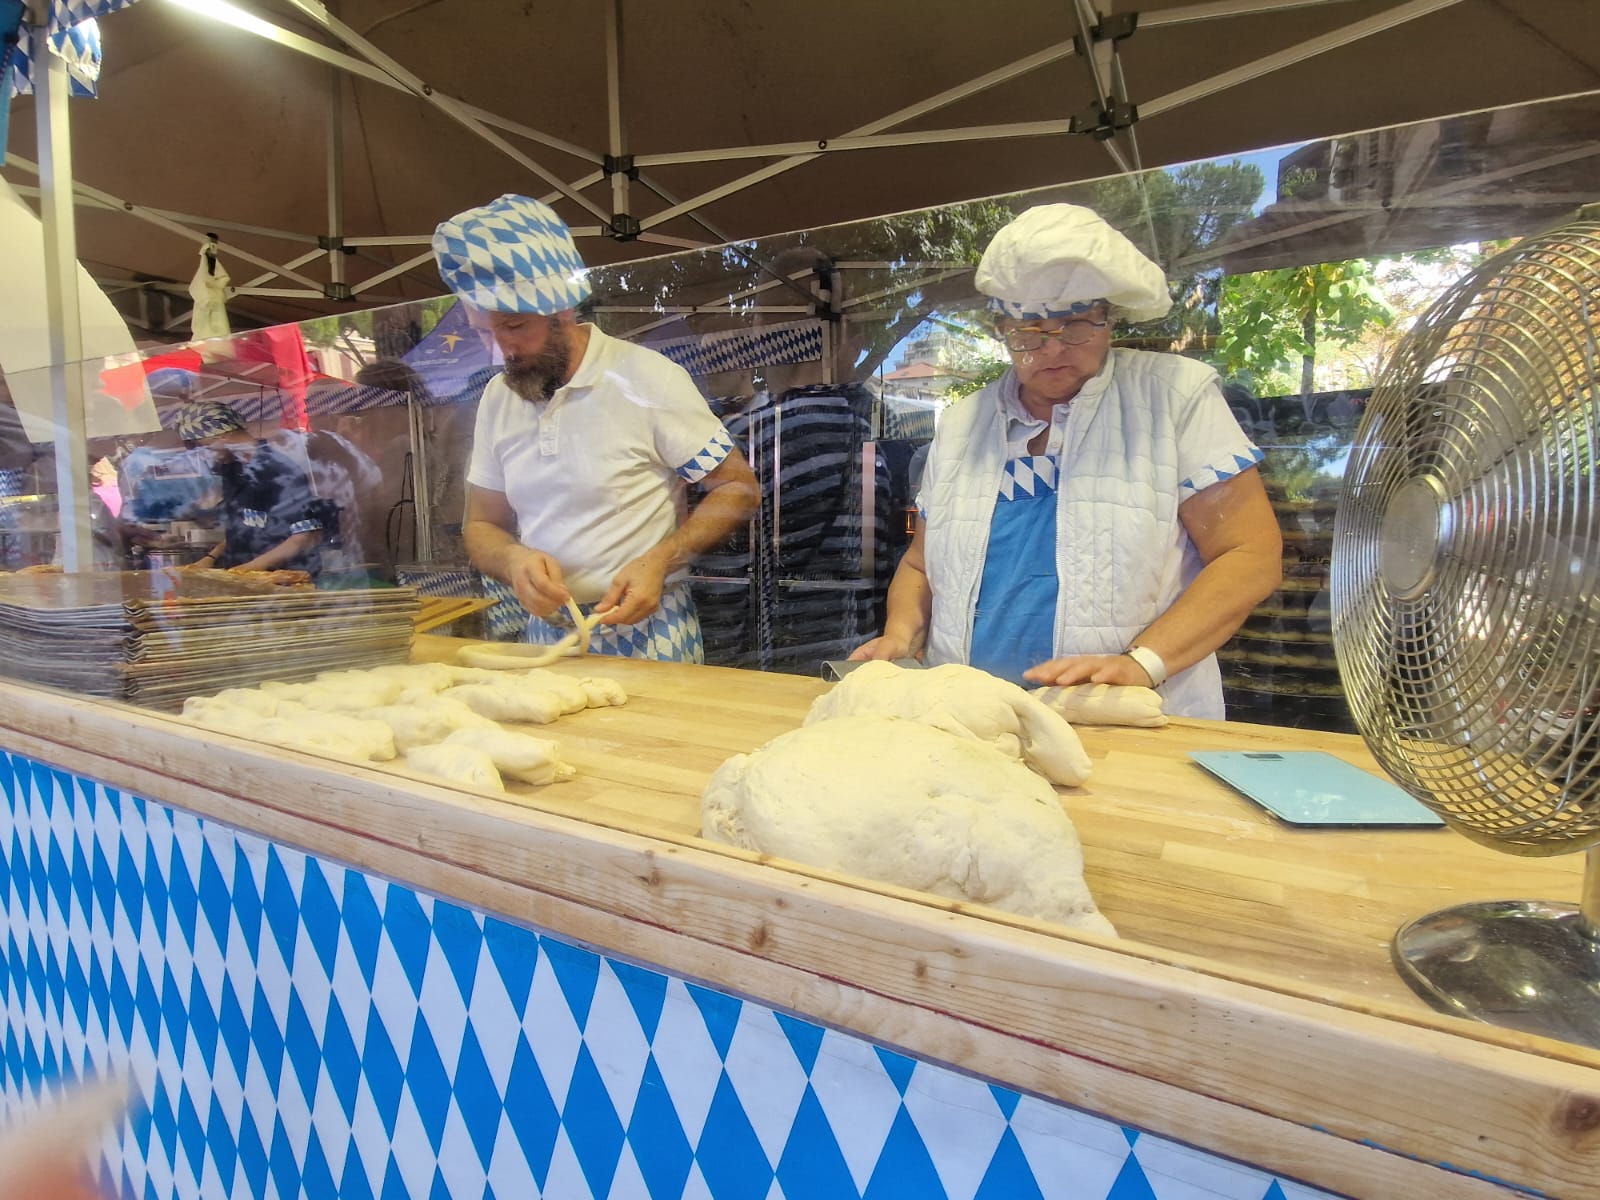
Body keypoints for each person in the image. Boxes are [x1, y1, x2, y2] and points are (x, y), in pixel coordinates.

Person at [851, 204, 1282, 718]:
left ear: (1108, 318)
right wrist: (901, 635)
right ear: (1000, 330)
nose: (1052, 350)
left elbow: (1249, 554)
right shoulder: (965, 422)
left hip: (1127, 718)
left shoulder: (1174, 399)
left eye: (1076, 325)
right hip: (972, 717)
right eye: (1028, 334)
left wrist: (1144, 663)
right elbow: (922, 563)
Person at [432, 194, 759, 660]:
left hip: (651, 632)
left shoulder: (647, 378)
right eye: (484, 331)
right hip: (548, 638)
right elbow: (482, 523)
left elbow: (738, 487)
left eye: (514, 326)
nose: (499, 349)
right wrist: (513, 559)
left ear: (561, 309)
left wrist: (660, 559)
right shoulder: (497, 398)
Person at [172, 402, 326, 577]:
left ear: (223, 435)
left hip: (284, 582)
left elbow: (306, 536)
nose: (201, 454)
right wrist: (210, 558)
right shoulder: (233, 470)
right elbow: (242, 527)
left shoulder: (277, 470)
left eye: (203, 446)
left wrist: (248, 569)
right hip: (247, 578)